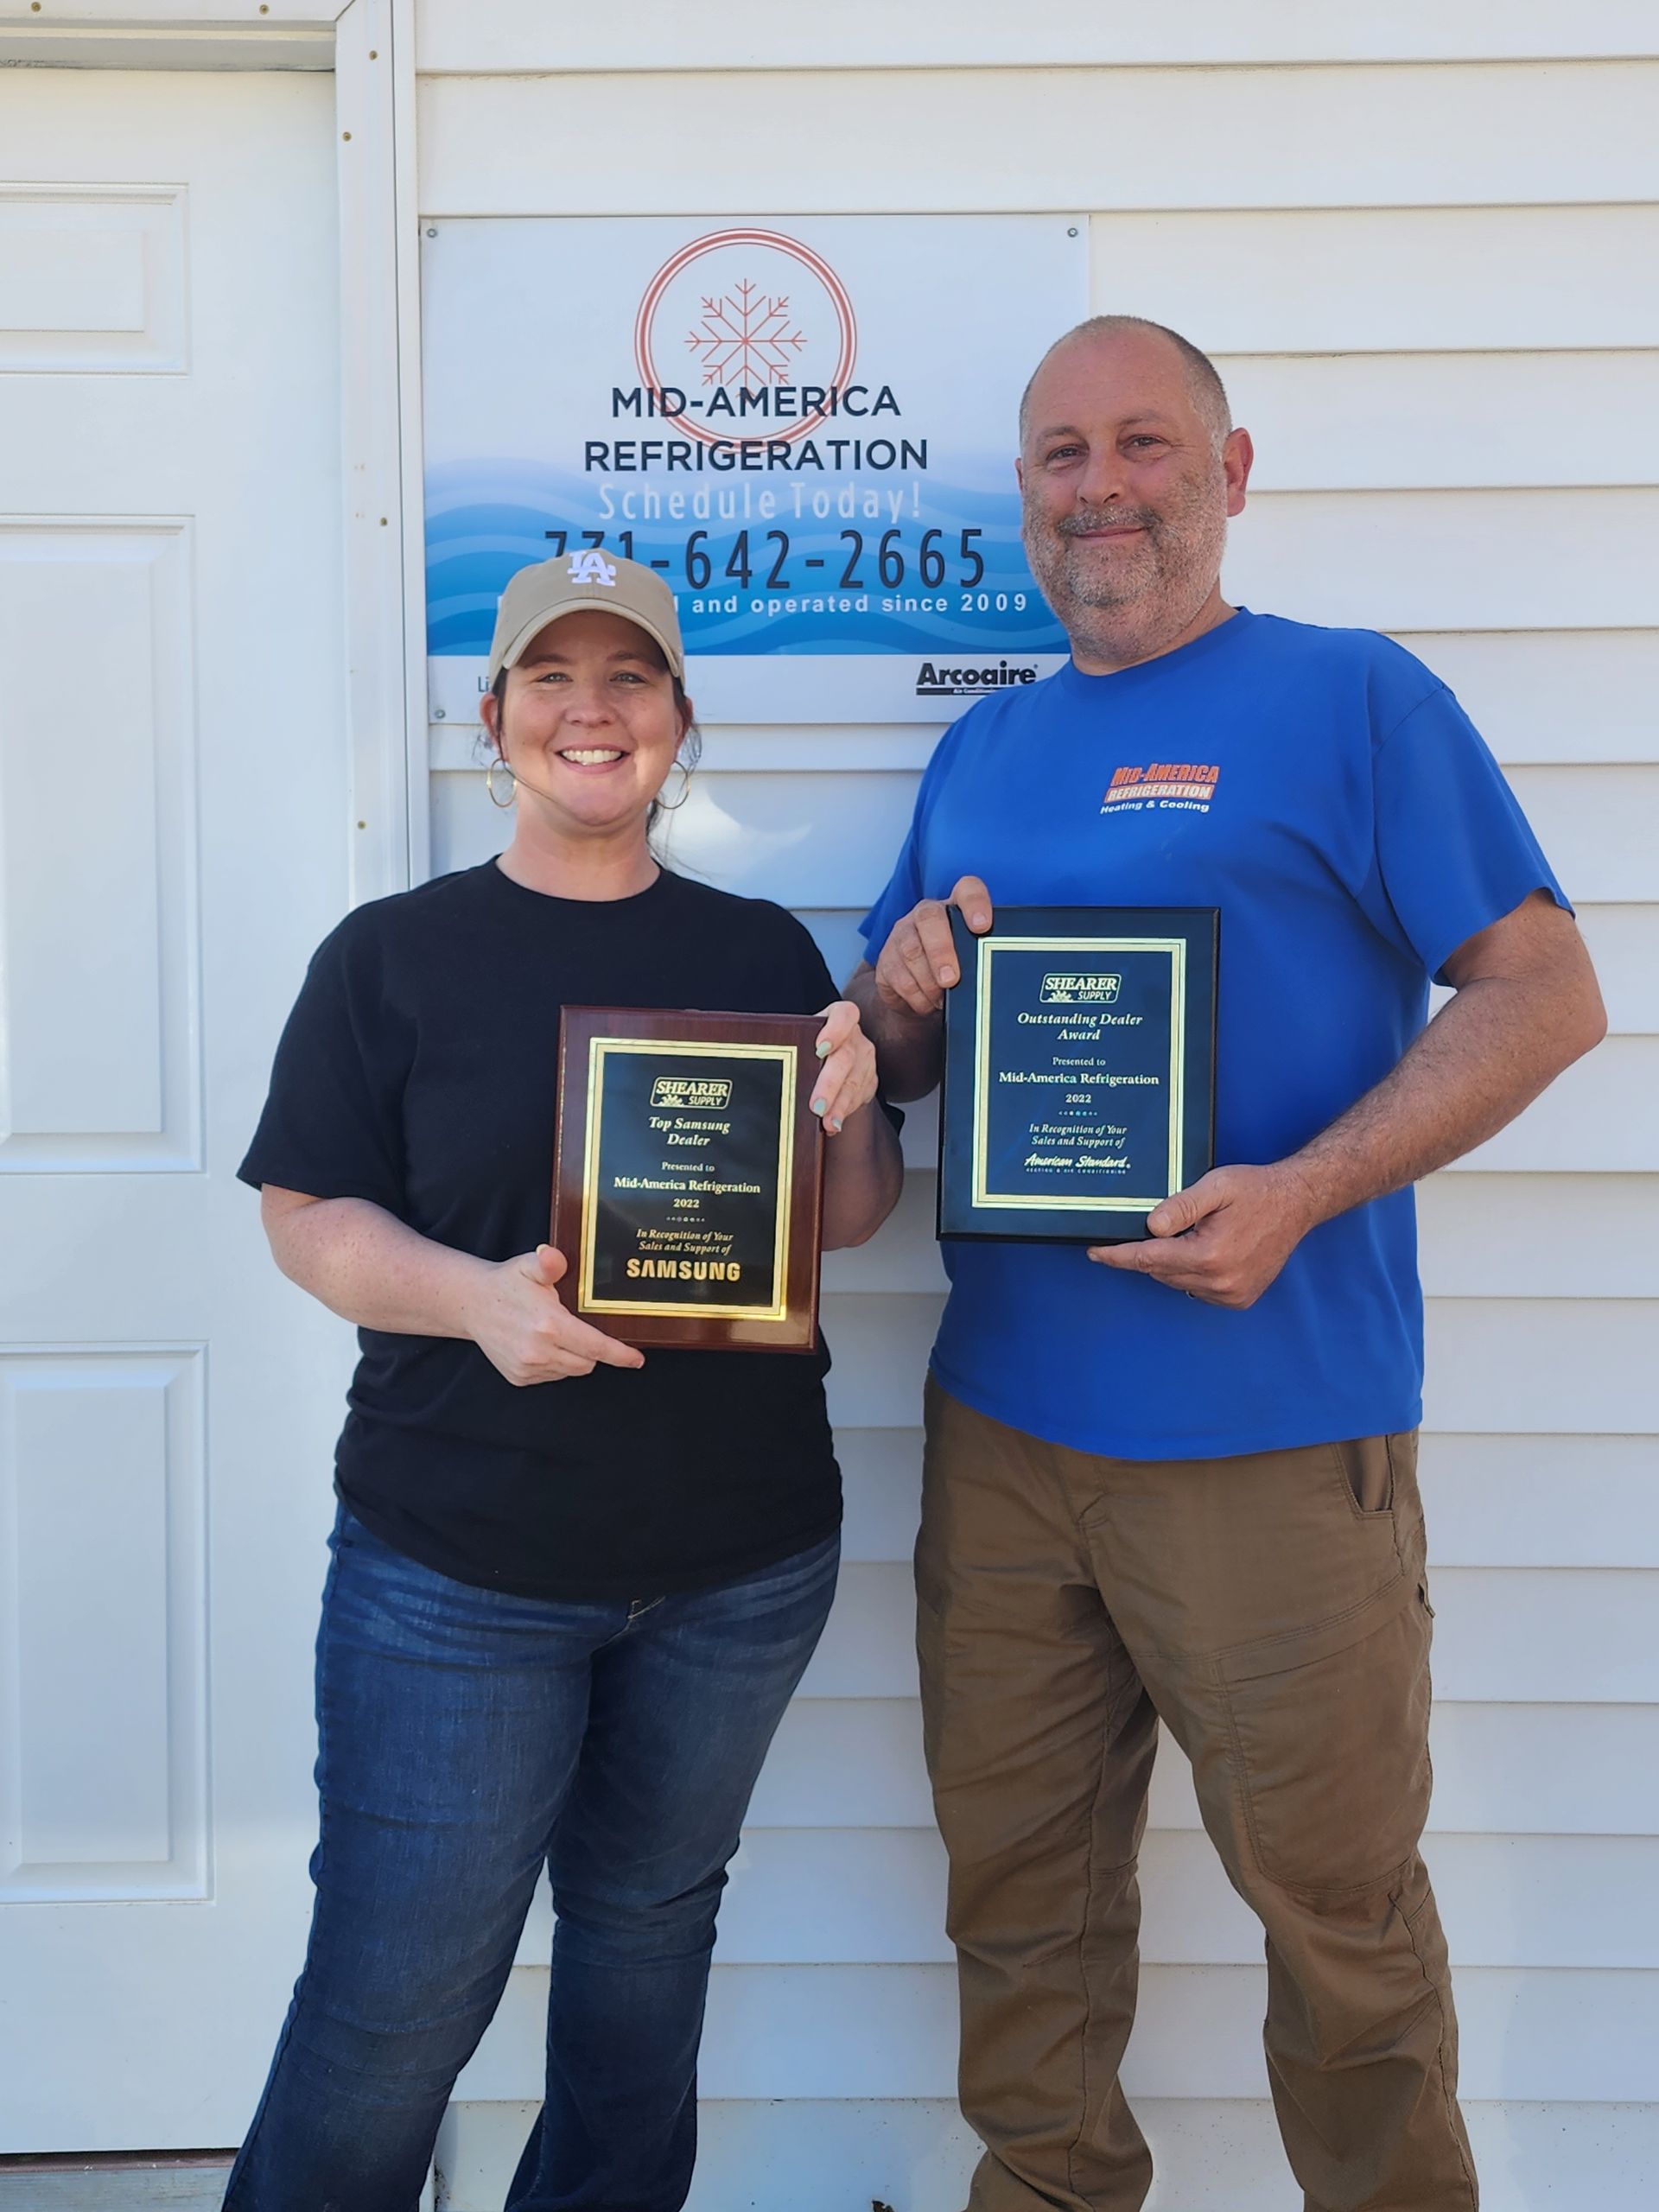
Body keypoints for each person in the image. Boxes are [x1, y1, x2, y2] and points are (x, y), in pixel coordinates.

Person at [848, 316, 1606, 2212]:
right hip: (1008, 1432)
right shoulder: (987, 743)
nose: (1101, 486)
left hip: (1275, 1437)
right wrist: (902, 990)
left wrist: (1304, 1185)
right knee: (1020, 1900)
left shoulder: (1353, 700)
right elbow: (891, 1042)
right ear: (1022, 494)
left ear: (1231, 469)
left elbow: (1547, 990)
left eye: (1143, 445)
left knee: (1339, 1926)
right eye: (1060, 455)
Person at [225, 550, 903, 2212]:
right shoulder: (390, 957)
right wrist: (471, 1301)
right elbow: (304, 1218)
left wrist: (859, 1106)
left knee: (645, 1958)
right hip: (456, 1572)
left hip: (737, 1571)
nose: (589, 711)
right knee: (396, 1997)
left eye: (628, 680)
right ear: (494, 718)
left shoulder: (761, 954)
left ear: (681, 721)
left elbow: (850, 1222)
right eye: (552, 678)